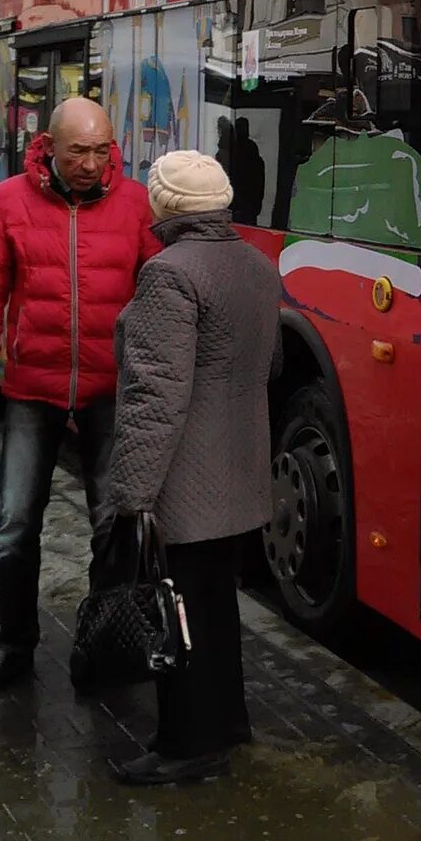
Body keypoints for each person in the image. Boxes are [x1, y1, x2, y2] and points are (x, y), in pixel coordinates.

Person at [0, 96, 161, 694]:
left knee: (111, 525)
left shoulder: (134, 205)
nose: (93, 165)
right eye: (79, 152)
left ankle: (101, 645)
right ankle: (14, 645)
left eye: (102, 151)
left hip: (108, 390)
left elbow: (156, 297)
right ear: (49, 146)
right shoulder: (10, 203)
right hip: (31, 390)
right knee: (16, 525)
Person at [101, 150, 280, 785]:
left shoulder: (169, 274)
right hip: (243, 470)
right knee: (215, 607)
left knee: (176, 614)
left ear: (163, 207)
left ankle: (186, 744)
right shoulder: (258, 265)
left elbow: (156, 395)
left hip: (185, 479)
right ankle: (227, 723)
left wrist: (131, 495)